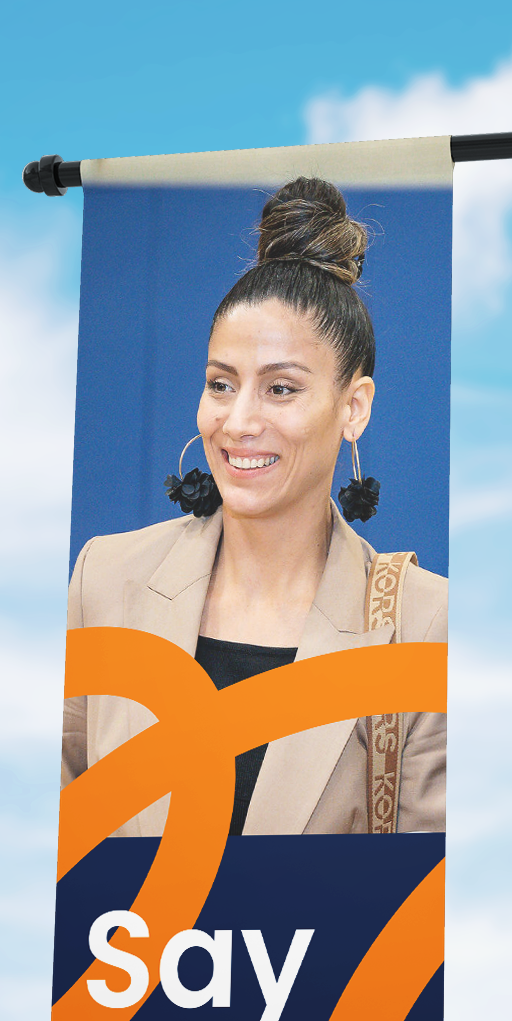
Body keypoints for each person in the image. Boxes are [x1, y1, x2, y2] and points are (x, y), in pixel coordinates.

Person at [63, 176, 446, 836]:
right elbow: (58, 853)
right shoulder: (107, 579)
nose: (238, 421)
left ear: (354, 407)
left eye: (281, 389)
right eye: (221, 384)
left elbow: (426, 906)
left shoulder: (424, 622)